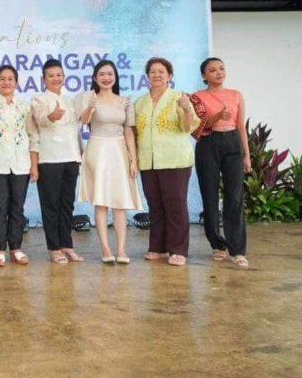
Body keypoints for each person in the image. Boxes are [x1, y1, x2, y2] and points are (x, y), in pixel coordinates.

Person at [134, 57, 199, 266]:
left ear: (169, 76)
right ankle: (158, 247)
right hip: (148, 161)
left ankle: (178, 249)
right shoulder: (140, 102)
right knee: (155, 205)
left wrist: (187, 109)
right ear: (147, 76)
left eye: (161, 71)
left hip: (175, 160)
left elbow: (188, 127)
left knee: (175, 205)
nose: (157, 75)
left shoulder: (179, 98)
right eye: (152, 71)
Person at [78, 60, 142, 264]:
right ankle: (105, 249)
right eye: (102, 74)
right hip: (98, 148)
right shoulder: (90, 98)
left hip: (119, 150)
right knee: (102, 202)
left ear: (115, 77)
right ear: (95, 78)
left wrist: (133, 159)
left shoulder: (125, 101)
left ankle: (122, 249)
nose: (106, 78)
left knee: (120, 202)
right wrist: (90, 107)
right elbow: (84, 121)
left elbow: (129, 131)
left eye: (110, 74)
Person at [190, 57, 251, 267]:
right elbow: (197, 128)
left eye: (221, 68)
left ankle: (237, 250)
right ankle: (217, 244)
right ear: (204, 76)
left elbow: (241, 125)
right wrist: (218, 116)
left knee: (234, 197)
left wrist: (247, 154)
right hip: (208, 143)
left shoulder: (236, 95)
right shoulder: (197, 97)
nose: (219, 73)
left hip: (233, 143)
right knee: (209, 196)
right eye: (213, 70)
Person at [0, 65, 38, 267]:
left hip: (21, 163)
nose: (6, 82)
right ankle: (0, 249)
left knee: (17, 207)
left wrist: (34, 165)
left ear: (16, 83)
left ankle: (16, 248)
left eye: (10, 79)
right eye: (2, 79)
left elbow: (33, 135)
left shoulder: (25, 106)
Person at [31, 59, 84, 264]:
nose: (56, 78)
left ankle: (67, 245)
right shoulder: (39, 98)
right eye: (51, 75)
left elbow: (76, 130)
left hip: (71, 157)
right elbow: (40, 119)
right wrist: (51, 116)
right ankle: (54, 248)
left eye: (59, 75)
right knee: (50, 205)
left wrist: (80, 153)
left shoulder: (70, 100)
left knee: (67, 204)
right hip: (49, 159)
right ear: (44, 79)